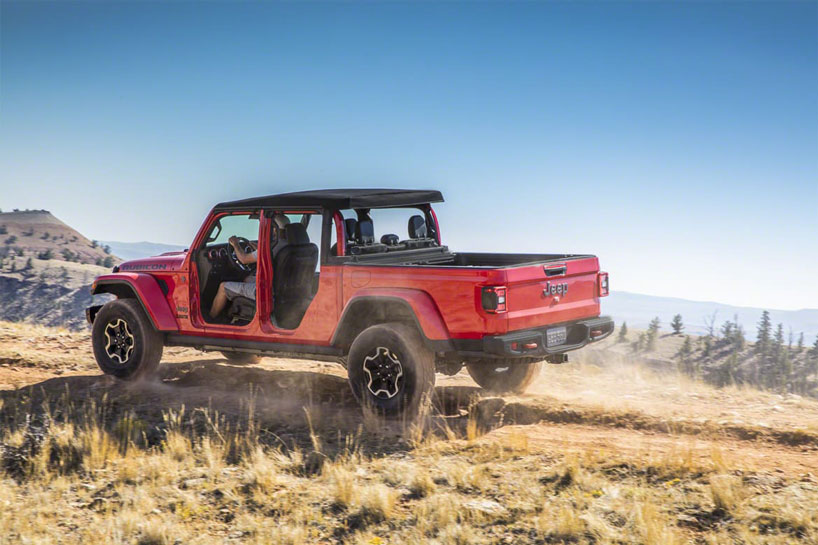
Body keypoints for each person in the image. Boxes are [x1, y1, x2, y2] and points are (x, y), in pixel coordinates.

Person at [208, 214, 290, 320]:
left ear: (275, 229)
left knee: (223, 286)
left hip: (265, 291)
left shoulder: (271, 247)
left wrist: (235, 244)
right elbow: (268, 258)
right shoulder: (286, 245)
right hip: (280, 287)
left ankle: (211, 319)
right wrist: (258, 250)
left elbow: (243, 259)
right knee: (247, 279)